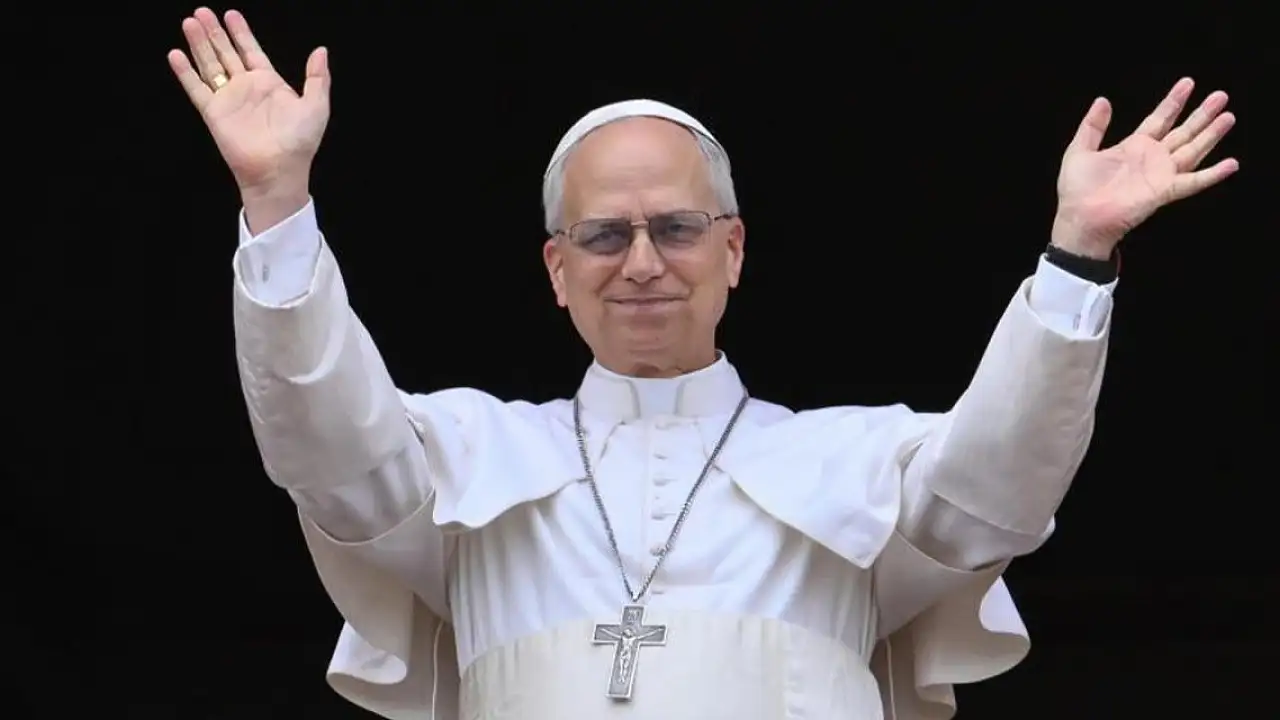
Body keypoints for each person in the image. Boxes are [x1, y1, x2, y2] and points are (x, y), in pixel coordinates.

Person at [169, 8, 1238, 719]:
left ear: (732, 250)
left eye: (676, 228)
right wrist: (276, 202)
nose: (641, 263)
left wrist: (1076, 254)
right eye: (603, 235)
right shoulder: (464, 451)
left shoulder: (855, 460)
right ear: (556, 270)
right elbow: (328, 451)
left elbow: (997, 488)